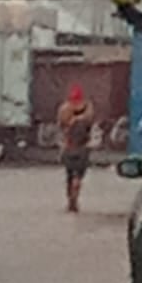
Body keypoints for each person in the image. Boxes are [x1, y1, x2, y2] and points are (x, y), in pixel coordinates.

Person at [57, 84, 95, 214]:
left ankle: (70, 200)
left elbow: (60, 126)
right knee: (79, 175)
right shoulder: (88, 110)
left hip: (69, 147)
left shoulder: (64, 109)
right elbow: (90, 126)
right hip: (82, 148)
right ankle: (76, 192)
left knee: (69, 175)